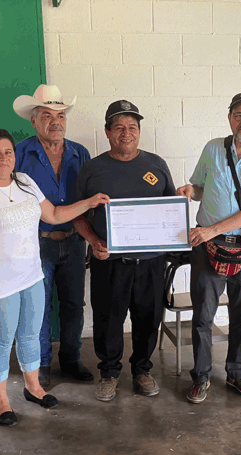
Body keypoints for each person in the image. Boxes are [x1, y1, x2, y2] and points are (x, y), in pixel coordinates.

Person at [0, 129, 108, 426]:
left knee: (30, 335)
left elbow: (54, 215)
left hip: (32, 276)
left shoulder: (24, 181)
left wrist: (88, 203)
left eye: (8, 152)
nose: (3, 158)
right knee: (0, 342)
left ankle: (33, 387)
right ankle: (0, 399)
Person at [176, 91, 241, 404]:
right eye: (239, 115)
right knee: (202, 316)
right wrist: (190, 190)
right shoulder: (213, 148)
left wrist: (210, 230)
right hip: (207, 247)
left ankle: (237, 373)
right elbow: (201, 188)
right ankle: (201, 376)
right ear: (230, 118)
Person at [72, 100, 176, 402]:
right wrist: (93, 241)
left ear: (139, 132)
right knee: (108, 320)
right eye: (118, 127)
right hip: (109, 262)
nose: (126, 133)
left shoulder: (157, 165)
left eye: (132, 127)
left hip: (151, 263)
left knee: (148, 319)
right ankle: (109, 373)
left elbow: (171, 210)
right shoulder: (92, 169)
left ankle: (142, 370)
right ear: (107, 132)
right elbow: (78, 216)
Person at [13, 84, 92, 390]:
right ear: (34, 121)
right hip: (36, 242)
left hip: (74, 240)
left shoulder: (80, 153)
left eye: (60, 115)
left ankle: (71, 359)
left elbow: (88, 200)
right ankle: (42, 363)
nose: (55, 122)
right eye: (46, 116)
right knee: (38, 306)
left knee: (73, 305)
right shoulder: (19, 154)